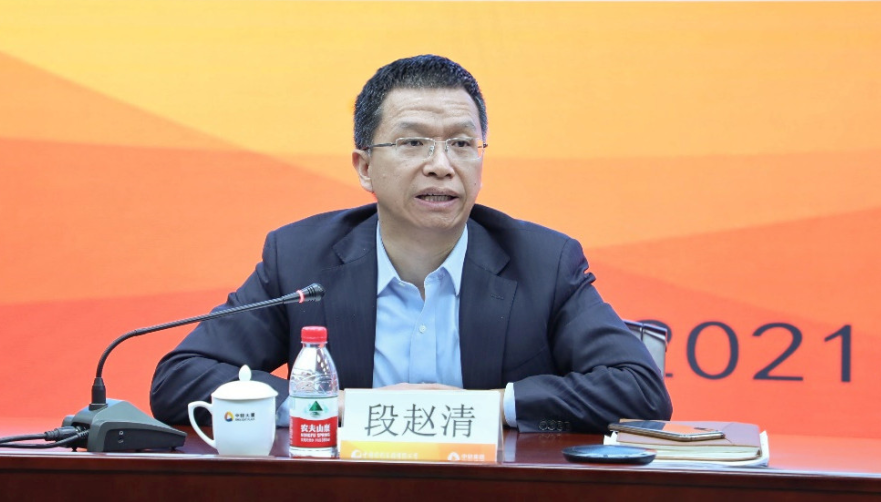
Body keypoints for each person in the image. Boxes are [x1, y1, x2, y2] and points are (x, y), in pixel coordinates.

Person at [150, 54, 672, 433]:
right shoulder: (301, 258)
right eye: (414, 142)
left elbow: (641, 391)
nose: (441, 165)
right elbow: (180, 380)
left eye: (462, 143)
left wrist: (485, 407)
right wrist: (336, 406)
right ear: (364, 167)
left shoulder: (543, 262)